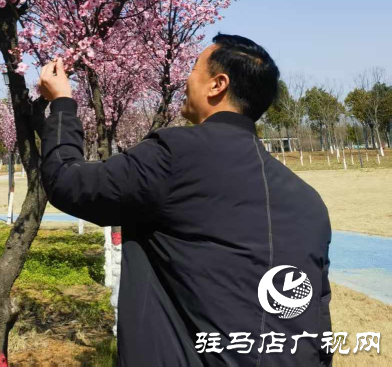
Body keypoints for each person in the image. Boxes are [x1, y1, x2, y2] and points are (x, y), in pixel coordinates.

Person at [39, 34, 333, 366]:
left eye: (194, 68)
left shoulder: (175, 156)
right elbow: (319, 328)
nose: (185, 79)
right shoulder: (310, 203)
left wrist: (62, 103)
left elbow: (67, 181)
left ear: (216, 85)